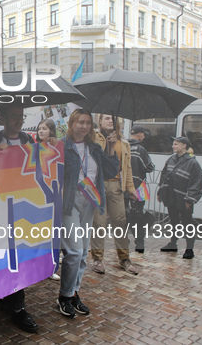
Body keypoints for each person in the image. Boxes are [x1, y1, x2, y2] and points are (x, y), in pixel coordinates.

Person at [58, 109, 119, 318]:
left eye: (88, 123)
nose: (84, 126)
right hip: (69, 201)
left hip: (90, 200)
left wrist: (111, 149)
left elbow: (111, 172)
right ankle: (64, 296)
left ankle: (74, 293)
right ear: (72, 123)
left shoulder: (95, 148)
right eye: (80, 122)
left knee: (83, 252)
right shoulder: (63, 146)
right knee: (73, 251)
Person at [0, 106, 38, 333]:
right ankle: (8, 301)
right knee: (4, 256)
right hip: (0, 205)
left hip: (24, 205)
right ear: (2, 118)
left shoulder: (29, 139)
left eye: (21, 116)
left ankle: (15, 305)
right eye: (14, 116)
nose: (18, 121)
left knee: (20, 256)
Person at [91, 114, 139, 275]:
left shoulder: (124, 142)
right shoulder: (94, 137)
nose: (111, 121)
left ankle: (124, 258)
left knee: (120, 221)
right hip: (98, 184)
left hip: (117, 184)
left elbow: (128, 167)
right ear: (100, 121)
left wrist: (131, 188)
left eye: (113, 118)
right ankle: (97, 258)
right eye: (106, 118)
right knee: (99, 223)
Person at [157, 136, 202, 259]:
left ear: (184, 146)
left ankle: (189, 249)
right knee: (174, 222)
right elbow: (164, 175)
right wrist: (160, 192)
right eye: (173, 144)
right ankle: (173, 243)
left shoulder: (192, 162)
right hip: (171, 197)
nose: (173, 146)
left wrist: (190, 199)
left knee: (187, 223)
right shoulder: (171, 159)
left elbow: (196, 182)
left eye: (176, 144)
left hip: (184, 199)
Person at [35, 118, 61, 281]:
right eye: (39, 128)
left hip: (54, 195)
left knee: (51, 233)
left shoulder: (57, 147)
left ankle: (50, 266)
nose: (41, 131)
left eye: (45, 128)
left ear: (51, 130)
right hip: (39, 195)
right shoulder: (32, 149)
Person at [126, 125, 155, 253]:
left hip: (123, 187)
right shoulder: (140, 149)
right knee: (139, 215)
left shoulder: (123, 146)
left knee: (124, 214)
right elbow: (149, 167)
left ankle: (123, 240)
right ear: (139, 134)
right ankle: (139, 243)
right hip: (139, 187)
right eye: (144, 134)